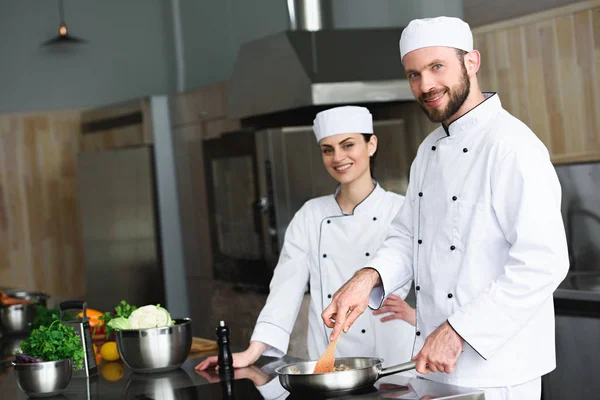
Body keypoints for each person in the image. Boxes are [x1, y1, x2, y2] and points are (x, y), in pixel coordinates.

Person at [321, 16, 569, 400]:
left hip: (498, 370)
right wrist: (368, 277)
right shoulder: (428, 152)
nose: (425, 85)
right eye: (413, 74)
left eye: (437, 67)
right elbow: (407, 237)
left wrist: (459, 331)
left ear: (471, 62)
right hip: (433, 365)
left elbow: (543, 263)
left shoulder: (512, 146)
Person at [196, 105, 416, 374]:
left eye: (348, 145)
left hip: (393, 356)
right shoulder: (311, 215)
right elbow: (286, 288)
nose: (338, 157)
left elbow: (440, 279)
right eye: (328, 149)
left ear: (371, 145)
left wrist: (419, 317)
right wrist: (254, 351)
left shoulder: (402, 209)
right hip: (332, 360)